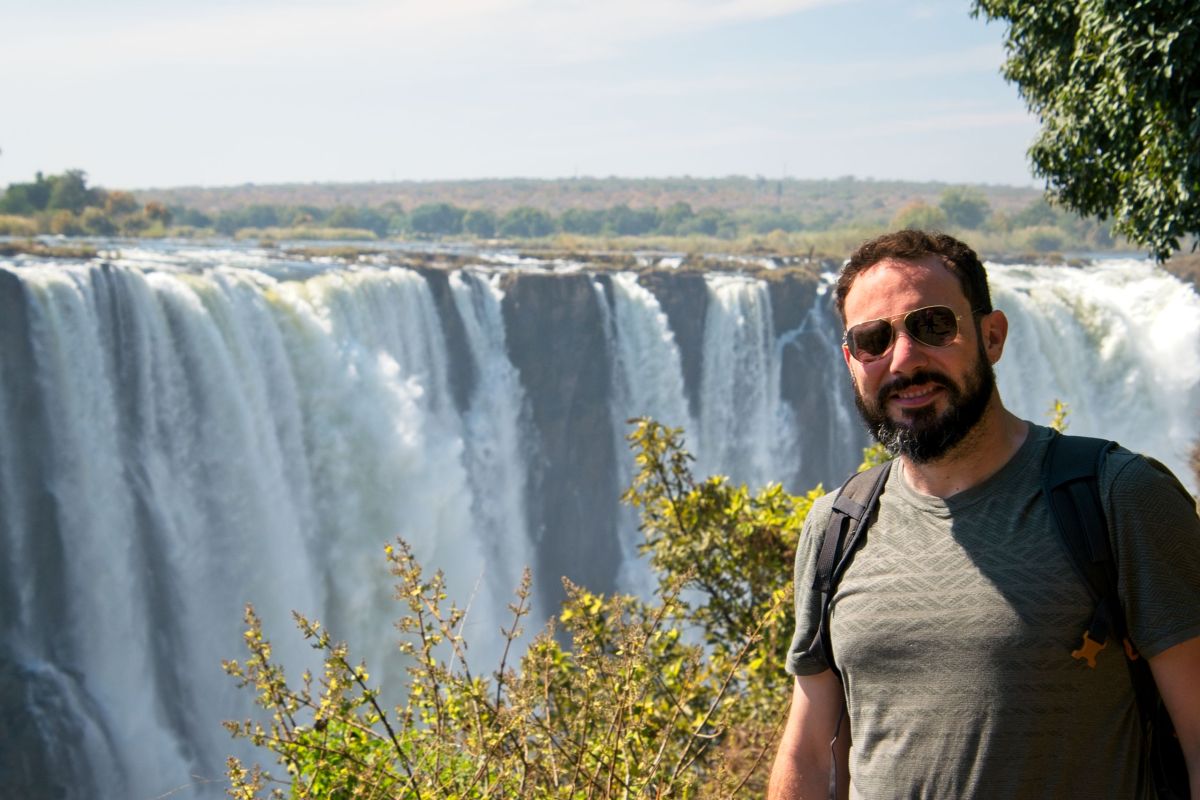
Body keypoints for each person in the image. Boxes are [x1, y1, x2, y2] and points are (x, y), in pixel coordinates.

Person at [767, 230, 1200, 799]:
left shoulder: (1120, 497)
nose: (904, 360)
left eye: (932, 326)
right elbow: (808, 751)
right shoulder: (836, 526)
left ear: (992, 336)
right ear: (852, 362)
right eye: (874, 340)